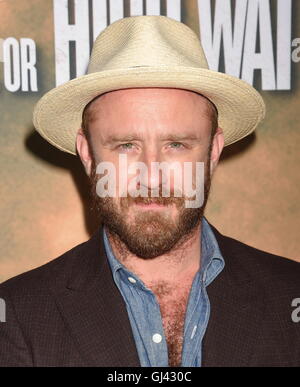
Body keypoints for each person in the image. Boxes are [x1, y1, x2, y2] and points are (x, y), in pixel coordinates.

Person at [0, 15, 299, 367]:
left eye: (176, 144)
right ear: (87, 153)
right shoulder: (18, 315)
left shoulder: (290, 296)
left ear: (213, 151)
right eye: (126, 145)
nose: (151, 175)